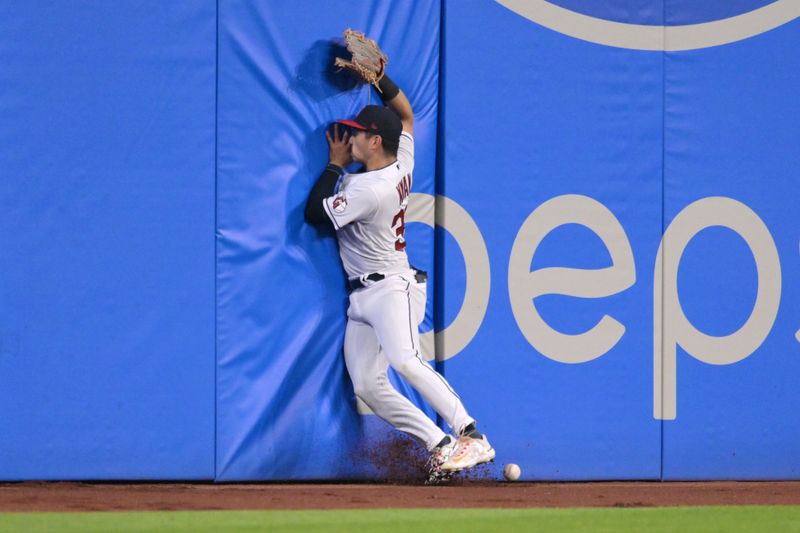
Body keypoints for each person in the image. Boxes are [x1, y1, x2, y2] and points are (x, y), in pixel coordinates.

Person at [304, 70, 494, 484]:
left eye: (355, 134)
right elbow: (405, 115)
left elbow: (314, 214)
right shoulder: (400, 160)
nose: (347, 138)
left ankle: (470, 432)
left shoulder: (368, 189)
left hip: (392, 288)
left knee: (407, 361)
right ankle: (440, 446)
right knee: (368, 385)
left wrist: (333, 165)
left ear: (374, 142)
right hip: (364, 296)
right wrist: (380, 79)